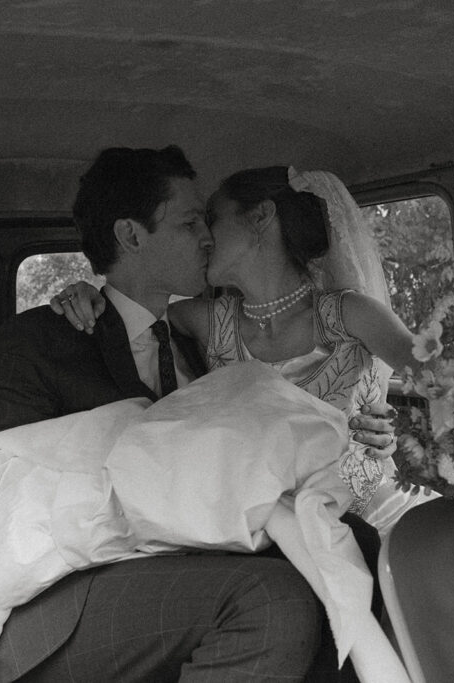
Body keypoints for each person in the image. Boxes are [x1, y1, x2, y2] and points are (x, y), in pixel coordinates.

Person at [0, 146, 396, 683]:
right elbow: (7, 500)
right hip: (64, 597)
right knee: (271, 599)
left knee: (356, 543)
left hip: (198, 566)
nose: (208, 236)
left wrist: (353, 438)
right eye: (192, 222)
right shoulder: (41, 340)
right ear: (131, 236)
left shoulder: (204, 346)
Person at [52, 165, 422, 521]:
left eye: (212, 217)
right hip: (275, 536)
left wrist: (399, 435)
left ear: (261, 216)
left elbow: (444, 381)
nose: (206, 237)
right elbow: (129, 313)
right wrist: (85, 294)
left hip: (379, 517)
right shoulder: (205, 321)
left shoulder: (352, 315)